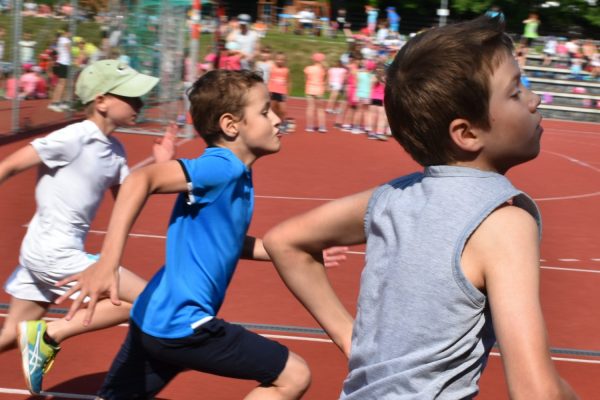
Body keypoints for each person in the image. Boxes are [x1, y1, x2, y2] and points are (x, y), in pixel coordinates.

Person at [262, 16, 579, 399]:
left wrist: (352, 340)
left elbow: (285, 241)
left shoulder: (392, 197)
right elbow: (536, 391)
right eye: (515, 92)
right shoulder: (503, 224)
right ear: (466, 133)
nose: (534, 99)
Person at [53, 69, 346, 399]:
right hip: (181, 324)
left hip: (153, 315)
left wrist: (293, 251)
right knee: (293, 375)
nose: (278, 119)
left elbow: (227, 241)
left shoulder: (235, 174)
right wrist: (108, 262)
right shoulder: (224, 167)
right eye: (265, 112)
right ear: (231, 125)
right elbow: (140, 180)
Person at [0, 59, 176, 395]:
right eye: (131, 96)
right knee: (148, 300)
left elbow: (128, 204)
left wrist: (160, 166)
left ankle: (40, 334)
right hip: (53, 252)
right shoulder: (72, 137)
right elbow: (8, 165)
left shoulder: (116, 151)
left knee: (11, 335)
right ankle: (51, 334)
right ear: (101, 101)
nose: (140, 103)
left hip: (48, 251)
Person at [48, 30, 71, 112]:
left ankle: (62, 102)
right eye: (70, 32)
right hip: (64, 63)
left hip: (62, 63)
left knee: (63, 84)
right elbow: (69, 51)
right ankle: (55, 103)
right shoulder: (65, 40)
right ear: (67, 32)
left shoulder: (60, 40)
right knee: (61, 84)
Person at [268, 52, 292, 132]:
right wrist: (269, 90)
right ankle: (274, 123)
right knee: (273, 108)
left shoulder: (286, 70)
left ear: (285, 61)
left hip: (282, 92)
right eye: (278, 59)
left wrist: (288, 93)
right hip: (273, 91)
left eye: (282, 60)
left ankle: (283, 123)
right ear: (275, 60)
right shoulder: (272, 69)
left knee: (282, 110)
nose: (279, 61)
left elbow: (289, 82)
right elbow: (270, 80)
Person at [304, 52, 327, 133]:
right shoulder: (323, 69)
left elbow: (306, 78)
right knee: (320, 109)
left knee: (310, 108)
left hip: (310, 89)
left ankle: (309, 126)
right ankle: (322, 126)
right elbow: (324, 78)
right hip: (319, 90)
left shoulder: (308, 68)